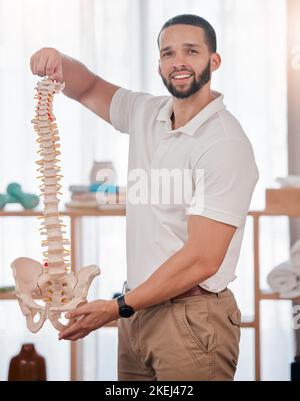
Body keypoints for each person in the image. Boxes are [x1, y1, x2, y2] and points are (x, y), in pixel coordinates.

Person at [30, 14, 259, 381]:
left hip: (191, 319)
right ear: (159, 64)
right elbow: (87, 87)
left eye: (191, 51)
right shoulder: (146, 112)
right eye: (168, 53)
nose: (178, 62)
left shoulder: (225, 143)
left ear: (213, 61)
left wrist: (117, 307)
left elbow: (202, 259)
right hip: (137, 311)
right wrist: (58, 61)